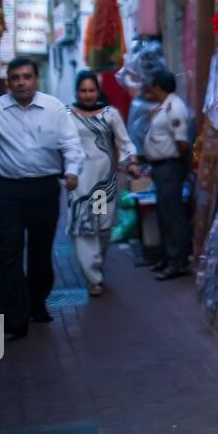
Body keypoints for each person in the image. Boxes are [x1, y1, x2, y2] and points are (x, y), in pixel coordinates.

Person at [0, 57, 83, 340]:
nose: (21, 82)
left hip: (43, 190)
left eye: (26, 76)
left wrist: (72, 171)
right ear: (8, 82)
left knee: (41, 252)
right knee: (8, 255)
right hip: (5, 193)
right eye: (15, 77)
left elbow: (71, 144)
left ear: (36, 79)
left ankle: (37, 301)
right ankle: (14, 320)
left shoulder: (54, 108)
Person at [67, 71, 139, 297]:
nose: (87, 95)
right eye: (83, 90)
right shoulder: (66, 115)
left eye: (91, 90)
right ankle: (93, 278)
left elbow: (125, 142)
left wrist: (132, 162)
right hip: (78, 180)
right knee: (82, 226)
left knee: (102, 227)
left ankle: (96, 264)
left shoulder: (110, 114)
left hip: (103, 182)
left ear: (98, 92)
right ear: (77, 92)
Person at [143, 69, 192, 280]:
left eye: (151, 86)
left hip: (170, 167)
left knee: (173, 215)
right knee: (165, 214)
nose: (148, 90)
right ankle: (167, 258)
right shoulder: (164, 107)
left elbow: (182, 143)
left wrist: (183, 166)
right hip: (161, 168)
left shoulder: (174, 107)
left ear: (158, 87)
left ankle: (177, 262)